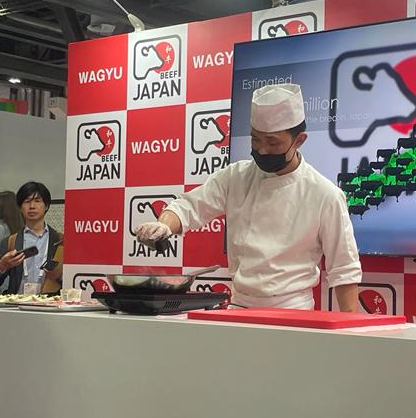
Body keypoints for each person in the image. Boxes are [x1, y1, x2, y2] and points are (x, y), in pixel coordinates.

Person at [135, 83, 362, 311]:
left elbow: (344, 269)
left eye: (272, 142)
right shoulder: (236, 176)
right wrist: (163, 225)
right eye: (255, 139)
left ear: (299, 140)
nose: (262, 150)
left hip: (293, 313)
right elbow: (188, 207)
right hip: (239, 307)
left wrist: (351, 334)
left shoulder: (325, 194)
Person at [0, 182, 63, 295]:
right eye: (27, 201)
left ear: (46, 206)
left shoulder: (60, 241)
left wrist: (59, 276)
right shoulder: (10, 241)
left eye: (37, 201)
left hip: (50, 306)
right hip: (17, 306)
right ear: (20, 207)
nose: (32, 206)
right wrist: (3, 265)